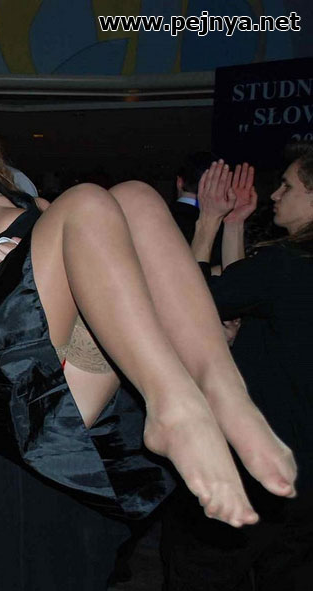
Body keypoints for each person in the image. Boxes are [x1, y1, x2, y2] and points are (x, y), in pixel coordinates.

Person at [0, 70, 297, 590]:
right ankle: (173, 408)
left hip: (55, 396)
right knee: (86, 201)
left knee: (134, 198)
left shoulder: (34, 211)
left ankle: (219, 390)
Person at [160, 147, 313, 590]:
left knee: (198, 573)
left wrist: (208, 222)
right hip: (304, 482)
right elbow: (246, 294)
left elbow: (187, 306)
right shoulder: (289, 270)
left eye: (287, 186)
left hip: (256, 466)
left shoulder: (288, 264)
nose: (275, 195)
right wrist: (235, 225)